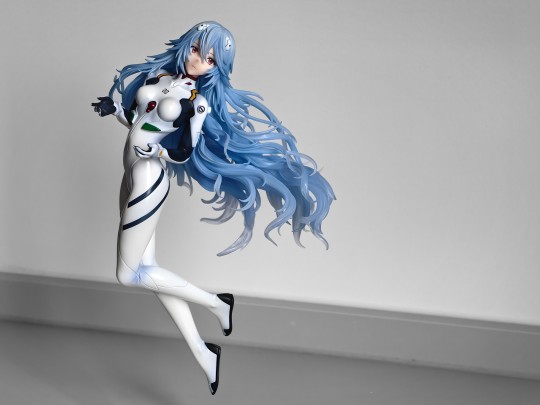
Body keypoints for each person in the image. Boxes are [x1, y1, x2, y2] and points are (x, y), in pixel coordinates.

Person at [92, 21, 335, 395]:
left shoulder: (197, 102)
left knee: (129, 275)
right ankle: (204, 353)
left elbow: (183, 150)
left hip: (148, 177)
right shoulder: (159, 77)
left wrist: (158, 151)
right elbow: (141, 124)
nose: (198, 61)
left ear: (217, 67)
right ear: (186, 44)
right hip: (129, 172)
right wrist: (114, 112)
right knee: (149, 270)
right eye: (196, 50)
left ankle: (215, 304)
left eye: (210, 59)